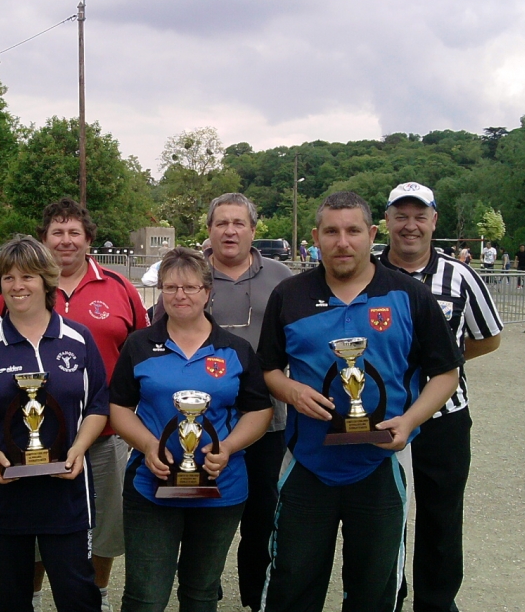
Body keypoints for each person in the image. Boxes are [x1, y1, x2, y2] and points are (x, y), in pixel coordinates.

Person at [257, 191, 464, 612]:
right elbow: (269, 369)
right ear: (316, 237)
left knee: (374, 587)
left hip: (381, 463)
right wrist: (292, 391)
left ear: (372, 234)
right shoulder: (290, 295)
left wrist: (409, 422)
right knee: (292, 582)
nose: (343, 242)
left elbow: (446, 372)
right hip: (307, 463)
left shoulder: (409, 295)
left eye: (353, 230)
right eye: (331, 232)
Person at [0, 198, 150, 612]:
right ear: (44, 238)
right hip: (35, 437)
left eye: (73, 232)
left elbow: (144, 350)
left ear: (88, 238)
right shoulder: (22, 286)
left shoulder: (120, 287)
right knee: (41, 527)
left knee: (106, 526)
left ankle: (94, 593)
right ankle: (35, 593)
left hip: (106, 430)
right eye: (56, 232)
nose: (65, 240)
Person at [0, 236, 108, 612]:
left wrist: (79, 448)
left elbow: (98, 404)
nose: (18, 286)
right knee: (10, 597)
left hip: (66, 493)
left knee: (78, 594)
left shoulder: (78, 339)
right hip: (3, 495)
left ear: (47, 281)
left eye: (28, 276)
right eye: (8, 277)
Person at [109, 247, 273, 611]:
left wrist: (228, 447)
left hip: (221, 489)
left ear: (208, 291)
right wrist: (148, 445)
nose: (179, 295)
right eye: (170, 288)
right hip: (152, 488)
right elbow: (119, 407)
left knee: (200, 592)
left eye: (190, 287)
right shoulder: (139, 344)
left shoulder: (236, 349)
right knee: (145, 596)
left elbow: (258, 410)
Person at [381, 182, 504, 612]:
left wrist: (442, 365)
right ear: (387, 222)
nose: (410, 226)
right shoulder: (367, 274)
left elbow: (488, 338)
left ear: (434, 221)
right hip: (384, 415)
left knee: (441, 517)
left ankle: (435, 602)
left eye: (419, 216)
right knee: (384, 517)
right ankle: (386, 597)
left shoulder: (460, 276)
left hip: (444, 418)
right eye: (401, 216)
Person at [200, 192, 292, 612]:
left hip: (268, 422)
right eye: (222, 223)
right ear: (210, 230)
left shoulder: (281, 277)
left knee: (261, 517)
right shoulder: (190, 275)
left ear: (254, 230)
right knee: (204, 512)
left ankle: (256, 598)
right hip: (204, 422)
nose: (230, 231)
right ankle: (203, 591)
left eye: (239, 223)